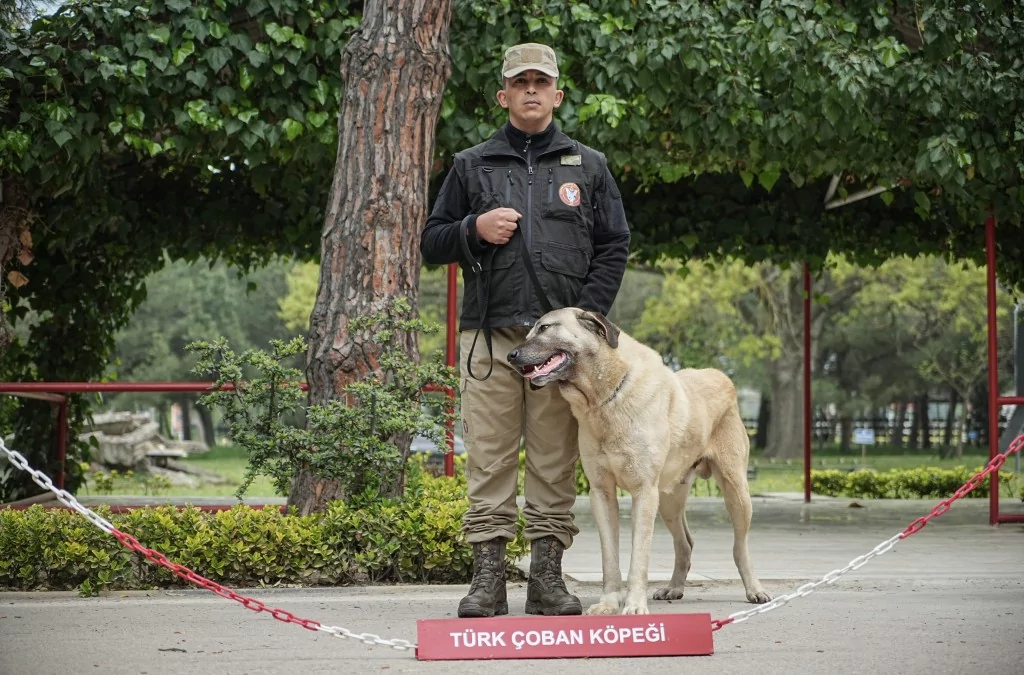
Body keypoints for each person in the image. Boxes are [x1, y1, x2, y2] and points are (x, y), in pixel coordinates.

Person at [420, 42, 631, 617]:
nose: (531, 90)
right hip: (490, 337)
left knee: (554, 459)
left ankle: (547, 580)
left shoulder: (590, 166)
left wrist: (583, 321)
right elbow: (432, 240)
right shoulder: (471, 165)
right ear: (503, 95)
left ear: (557, 95)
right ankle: (488, 582)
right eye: (520, 82)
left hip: (561, 352)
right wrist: (473, 227)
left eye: (541, 82)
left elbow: (614, 245)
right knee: (488, 458)